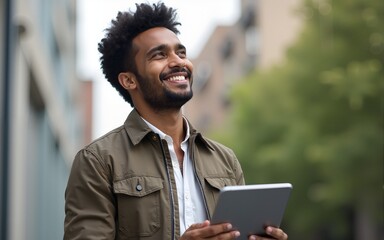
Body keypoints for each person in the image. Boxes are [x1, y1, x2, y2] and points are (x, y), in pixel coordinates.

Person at [64, 2, 288, 240]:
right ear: (129, 80)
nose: (179, 62)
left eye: (181, 52)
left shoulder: (225, 160)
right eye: (159, 55)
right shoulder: (98, 162)